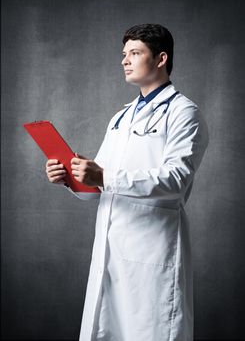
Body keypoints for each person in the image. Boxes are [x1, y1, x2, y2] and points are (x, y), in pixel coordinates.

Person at [46, 24, 209, 341]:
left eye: (135, 53)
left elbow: (176, 179)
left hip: (151, 251)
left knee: (150, 330)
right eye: (124, 54)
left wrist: (103, 176)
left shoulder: (183, 113)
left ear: (161, 59)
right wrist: (71, 178)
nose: (125, 60)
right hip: (111, 250)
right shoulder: (121, 117)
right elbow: (99, 189)